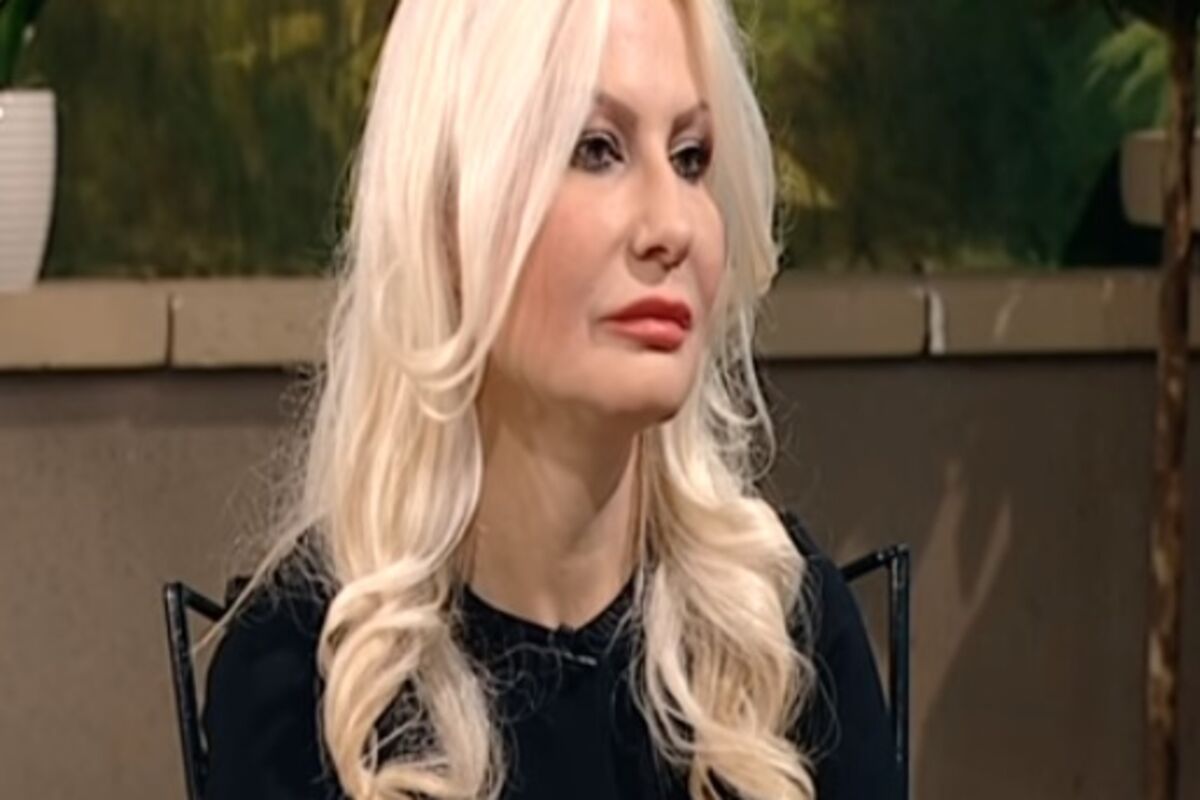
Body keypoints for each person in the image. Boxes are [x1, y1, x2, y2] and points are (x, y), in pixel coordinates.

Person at [201, 0, 901, 798]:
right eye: (596, 148)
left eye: (691, 157)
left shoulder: (781, 638)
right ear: (450, 211)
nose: (671, 225)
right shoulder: (306, 677)